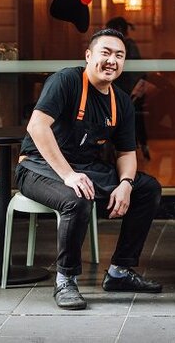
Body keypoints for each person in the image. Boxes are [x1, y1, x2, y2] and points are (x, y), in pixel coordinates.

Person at [17, 28, 163, 310]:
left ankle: (120, 270)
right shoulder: (66, 81)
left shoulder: (120, 101)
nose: (112, 60)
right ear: (88, 56)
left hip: (86, 167)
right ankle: (65, 280)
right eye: (105, 53)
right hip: (38, 167)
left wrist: (126, 184)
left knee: (148, 188)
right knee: (78, 198)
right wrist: (68, 175)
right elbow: (36, 127)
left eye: (119, 55)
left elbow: (127, 152)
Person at [106, 16, 149, 160]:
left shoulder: (127, 44)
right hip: (124, 89)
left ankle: (133, 151)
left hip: (127, 90)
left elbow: (136, 70)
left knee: (130, 121)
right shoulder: (125, 44)